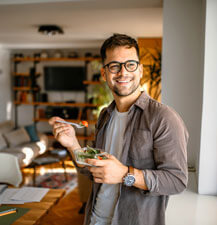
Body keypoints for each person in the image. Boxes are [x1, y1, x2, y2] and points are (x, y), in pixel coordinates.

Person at [49, 33, 188, 225]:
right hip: (95, 219)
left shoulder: (164, 118)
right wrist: (73, 144)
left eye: (130, 64)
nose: (123, 72)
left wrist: (125, 174)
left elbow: (176, 181)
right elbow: (94, 170)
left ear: (140, 70)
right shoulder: (105, 115)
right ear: (105, 73)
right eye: (114, 66)